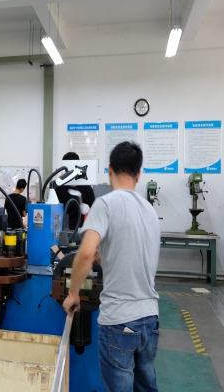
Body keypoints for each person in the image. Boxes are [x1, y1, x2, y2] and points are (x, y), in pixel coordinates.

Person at [62, 141, 161, 392]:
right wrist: (102, 257)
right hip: (149, 318)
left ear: (109, 170)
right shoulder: (149, 210)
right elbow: (131, 253)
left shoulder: (105, 204)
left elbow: (85, 253)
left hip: (119, 320)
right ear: (139, 174)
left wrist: (73, 294)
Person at [55, 152, 95, 230]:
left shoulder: (86, 187)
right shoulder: (59, 187)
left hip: (79, 230)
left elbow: (95, 213)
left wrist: (88, 210)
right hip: (60, 229)